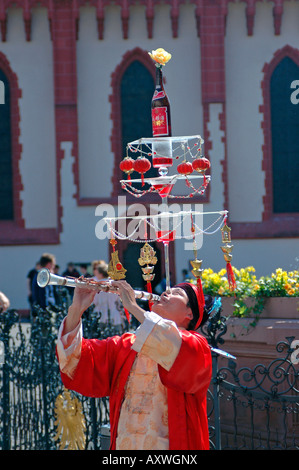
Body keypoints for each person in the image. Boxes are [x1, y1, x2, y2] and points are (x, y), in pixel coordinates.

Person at [56, 279, 213, 450]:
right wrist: (76, 309)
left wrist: (132, 306)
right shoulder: (126, 344)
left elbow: (172, 341)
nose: (166, 293)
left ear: (189, 314)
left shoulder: (197, 346)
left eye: (177, 293)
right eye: (168, 290)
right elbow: (77, 359)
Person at [92, 260, 126, 332]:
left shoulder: (97, 285)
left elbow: (94, 301)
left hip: (101, 316)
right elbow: (119, 301)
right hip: (115, 316)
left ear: (100, 274)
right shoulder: (115, 284)